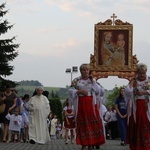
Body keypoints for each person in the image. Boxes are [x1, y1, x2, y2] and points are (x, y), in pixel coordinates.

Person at [69, 63, 105, 150]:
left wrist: (93, 82)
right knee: (83, 123)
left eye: (87, 70)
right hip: (81, 103)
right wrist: (79, 92)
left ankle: (91, 143)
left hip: (91, 104)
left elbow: (100, 92)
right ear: (80, 71)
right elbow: (70, 91)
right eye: (84, 70)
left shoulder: (93, 80)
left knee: (93, 122)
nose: (86, 72)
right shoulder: (76, 80)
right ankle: (84, 144)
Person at [124, 63, 150, 150]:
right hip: (135, 108)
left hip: (146, 107)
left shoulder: (149, 80)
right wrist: (132, 80)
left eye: (144, 73)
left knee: (145, 126)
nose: (142, 75)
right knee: (136, 127)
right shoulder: (133, 82)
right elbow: (128, 92)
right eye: (140, 73)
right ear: (137, 72)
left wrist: (145, 92)